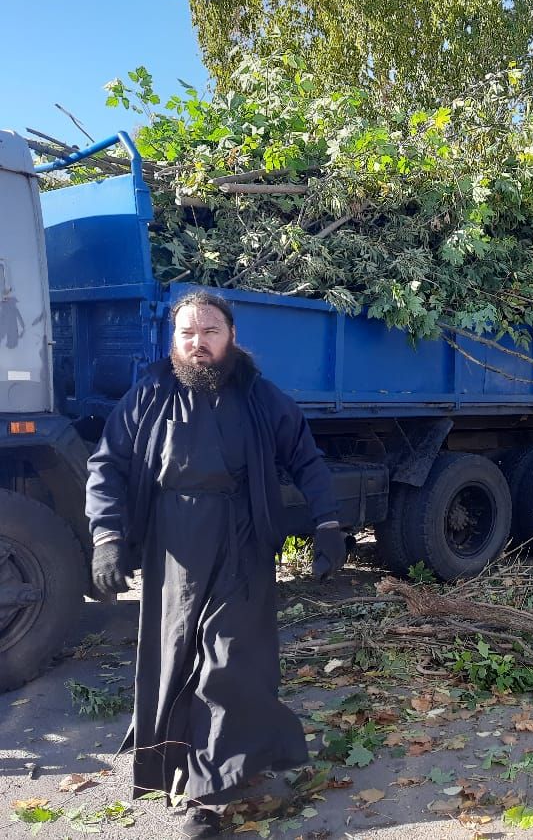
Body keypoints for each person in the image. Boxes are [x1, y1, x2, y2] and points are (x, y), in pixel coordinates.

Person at [86, 292, 346, 839]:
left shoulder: (260, 397)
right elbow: (107, 464)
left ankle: (207, 796)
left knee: (228, 661)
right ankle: (193, 765)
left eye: (209, 331)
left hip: (243, 538)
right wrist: (106, 537)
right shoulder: (149, 394)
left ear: (231, 337)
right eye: (187, 333)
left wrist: (327, 525)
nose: (198, 343)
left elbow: (306, 458)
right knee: (178, 659)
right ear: (172, 341)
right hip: (172, 545)